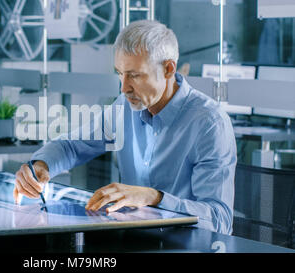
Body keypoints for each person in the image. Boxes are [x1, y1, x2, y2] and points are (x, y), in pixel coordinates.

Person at [13, 20, 237, 235]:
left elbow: (219, 220)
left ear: (168, 69)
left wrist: (154, 197)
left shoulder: (209, 123)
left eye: (134, 76)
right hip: (133, 241)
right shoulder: (125, 107)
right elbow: (72, 145)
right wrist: (41, 165)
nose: (124, 88)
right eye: (120, 74)